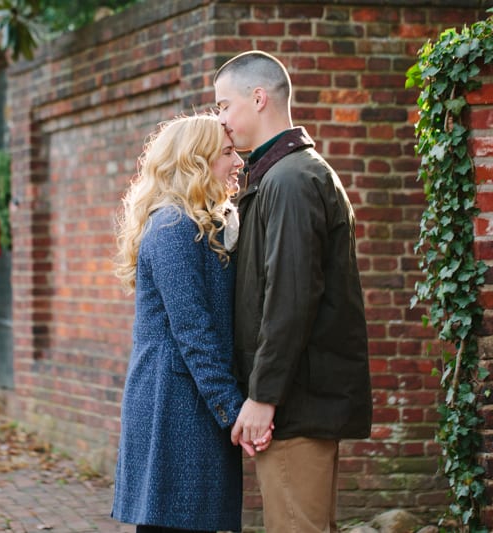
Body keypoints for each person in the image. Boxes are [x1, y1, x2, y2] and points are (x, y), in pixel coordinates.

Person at [214, 51, 373, 532]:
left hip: (294, 403)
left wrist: (262, 398)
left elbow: (291, 297)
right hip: (295, 397)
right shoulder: (280, 175)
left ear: (258, 98)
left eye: (224, 105)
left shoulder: (291, 180)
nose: (220, 120)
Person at [111, 114, 270, 533]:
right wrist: (234, 411)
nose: (238, 161)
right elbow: (193, 332)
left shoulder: (204, 224)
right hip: (173, 403)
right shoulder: (172, 226)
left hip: (194, 398)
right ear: (195, 162)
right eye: (227, 152)